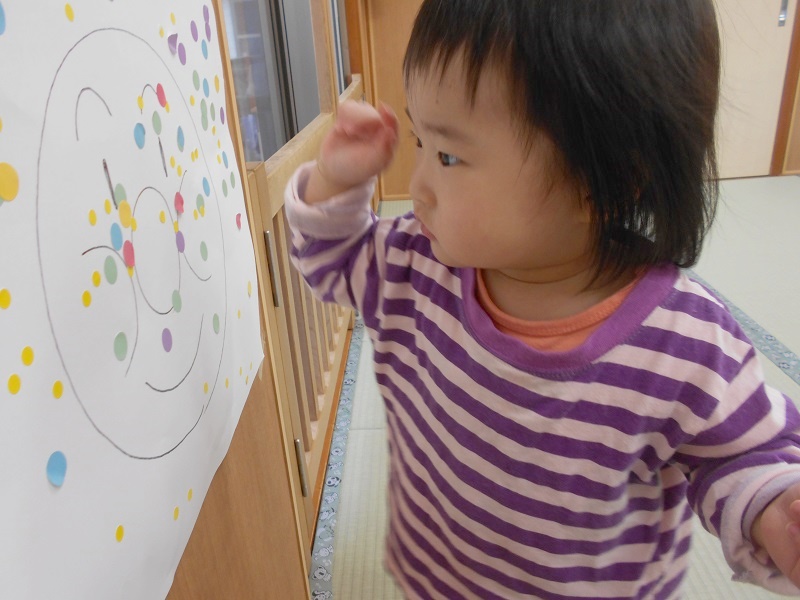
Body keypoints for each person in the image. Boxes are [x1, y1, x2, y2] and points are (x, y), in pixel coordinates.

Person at [285, 1, 800, 597]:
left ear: (607, 177)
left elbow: (743, 456)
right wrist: (335, 181)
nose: (416, 185)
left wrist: (777, 508)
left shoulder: (685, 344)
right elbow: (331, 259)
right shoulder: (413, 265)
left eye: (448, 156)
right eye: (420, 140)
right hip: (434, 578)